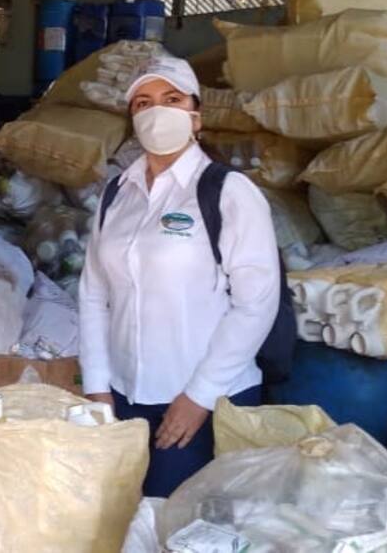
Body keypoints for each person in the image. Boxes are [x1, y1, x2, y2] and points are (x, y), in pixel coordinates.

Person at [78, 54, 280, 498]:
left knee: (178, 520)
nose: (157, 112)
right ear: (133, 120)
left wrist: (199, 396)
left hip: (205, 399)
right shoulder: (116, 194)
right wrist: (96, 387)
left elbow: (256, 304)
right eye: (143, 103)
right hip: (124, 395)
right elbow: (93, 294)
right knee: (124, 517)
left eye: (171, 99)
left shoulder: (227, 191)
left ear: (196, 116)